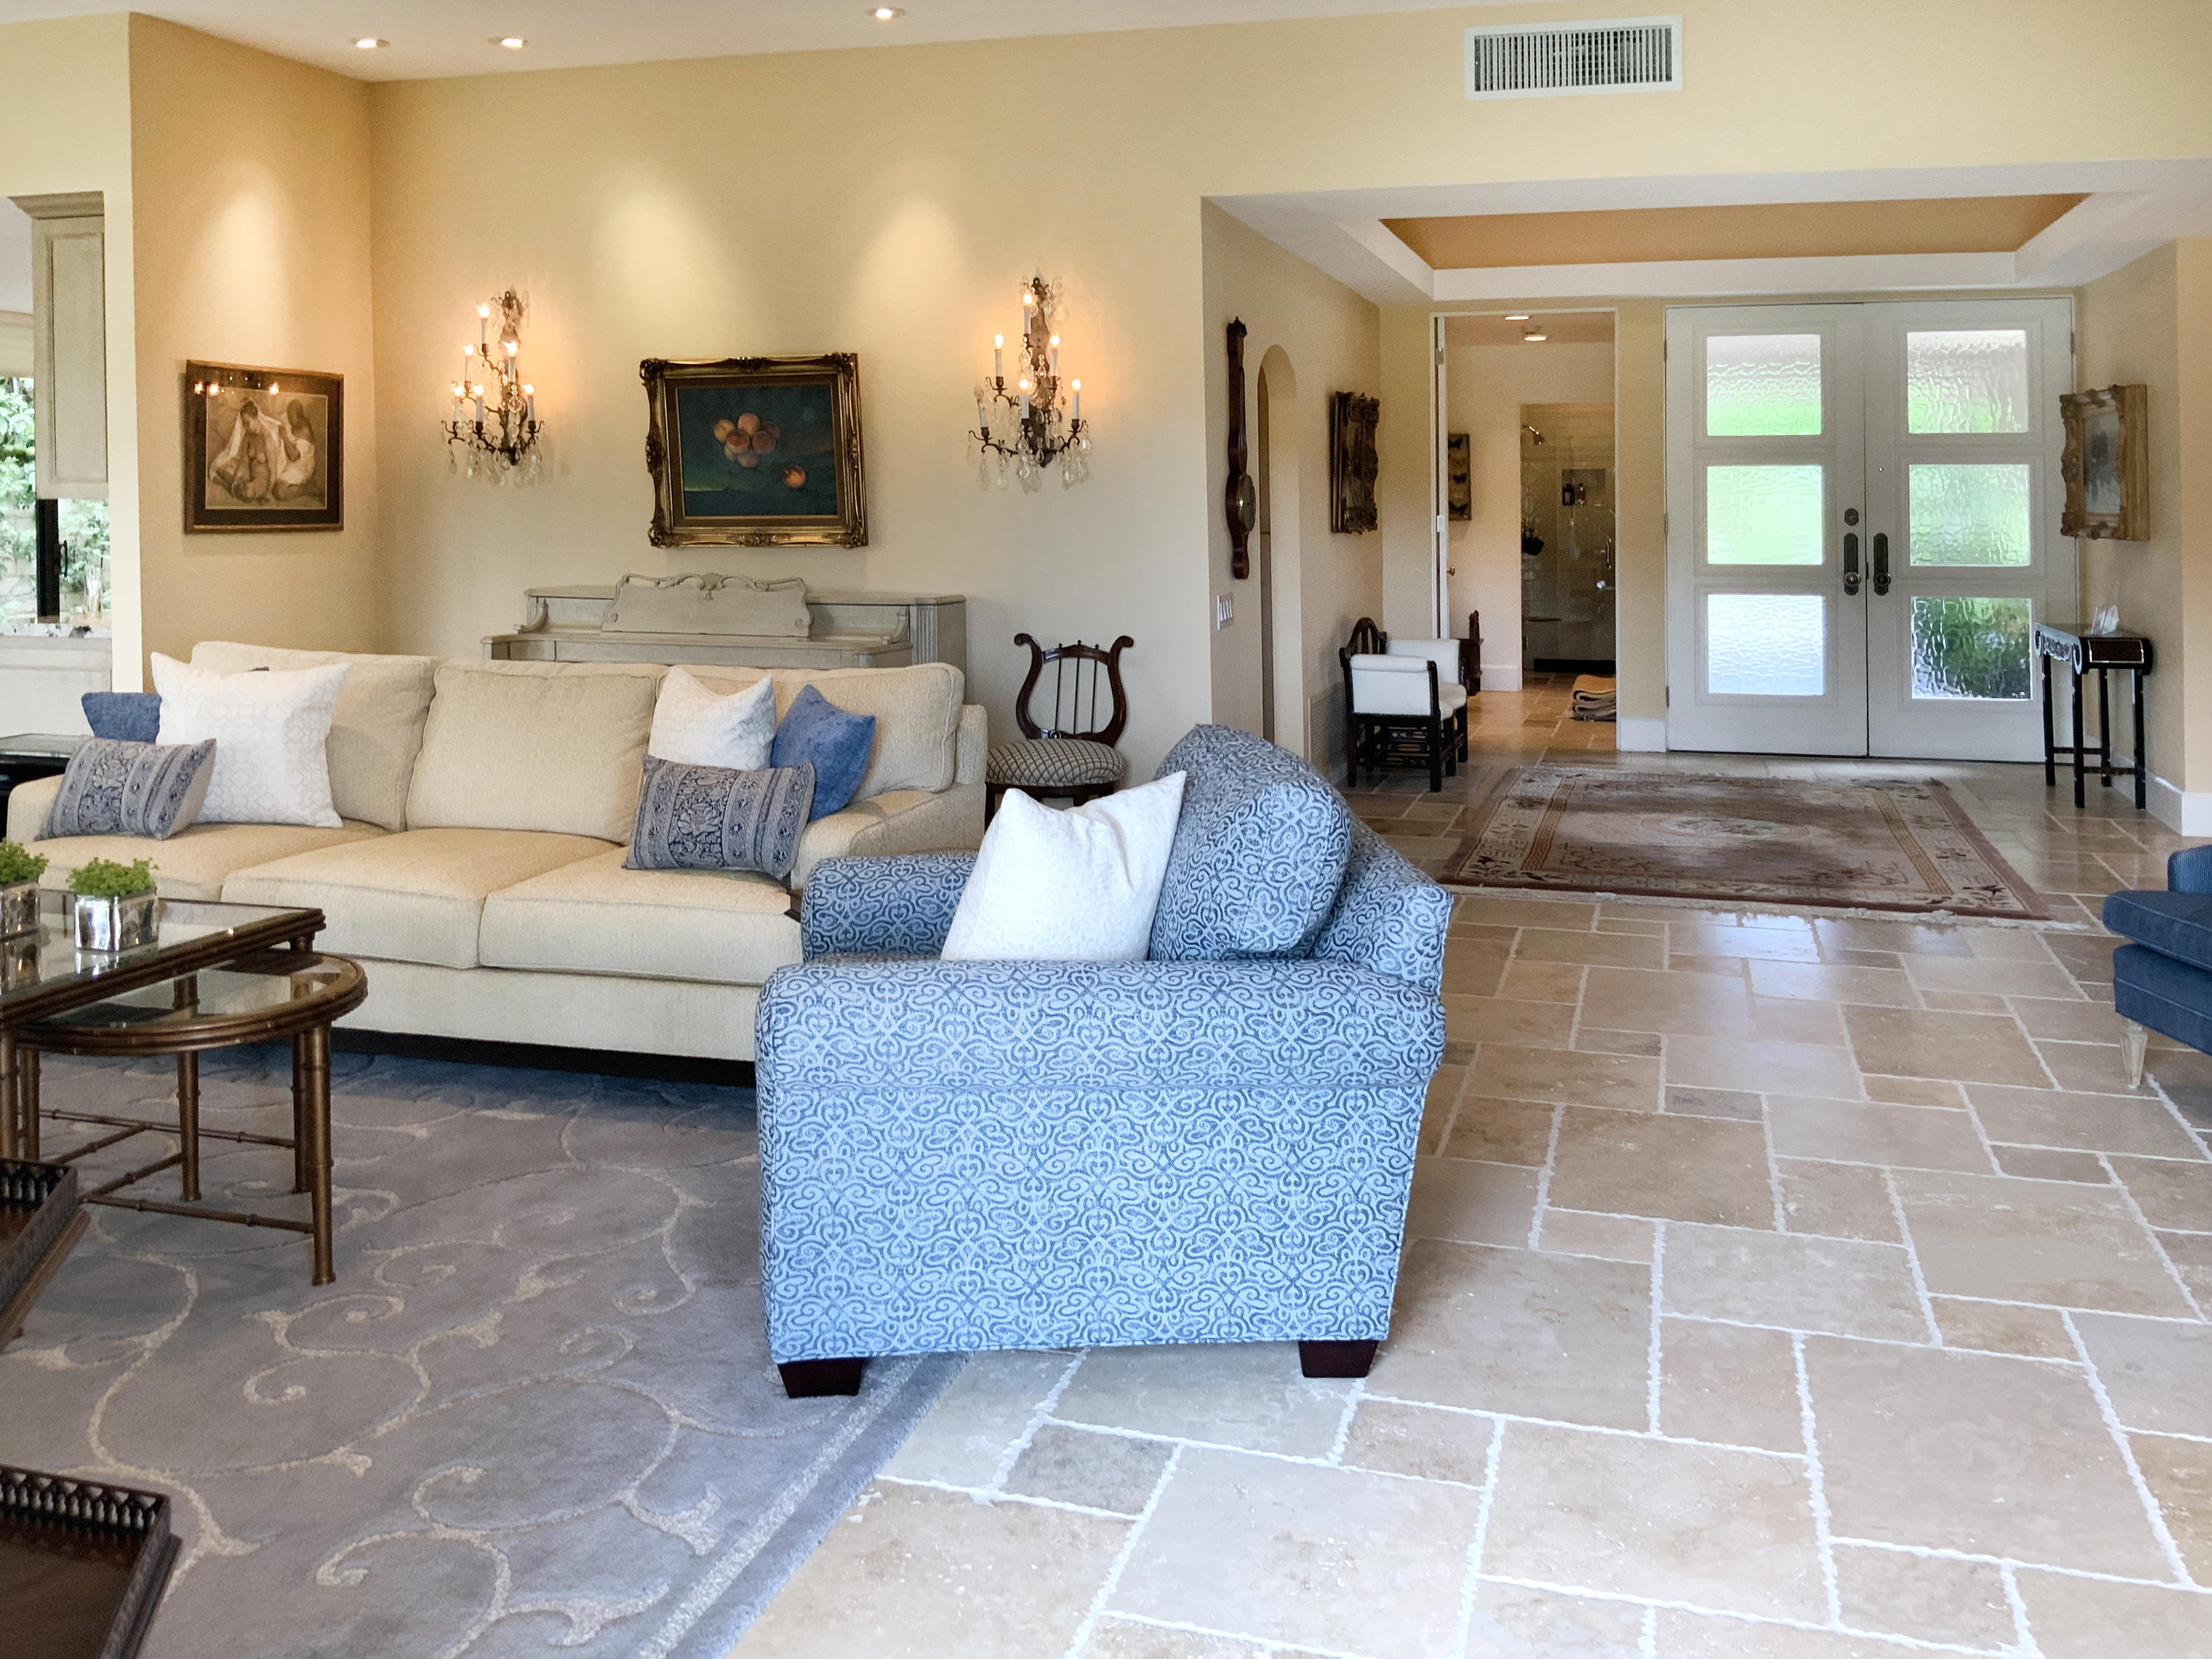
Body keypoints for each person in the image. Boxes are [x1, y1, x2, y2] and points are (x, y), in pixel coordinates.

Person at [209, 397, 276, 503]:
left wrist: (268, 493)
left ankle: (229, 486)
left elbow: (273, 472)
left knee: (247, 493)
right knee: (222, 469)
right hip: (249, 476)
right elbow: (243, 464)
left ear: (256, 418)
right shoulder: (248, 437)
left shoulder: (267, 439)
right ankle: (234, 487)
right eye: (244, 423)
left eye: (247, 422)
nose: (245, 427)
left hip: (261, 481)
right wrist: (237, 479)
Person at [272, 400, 318, 501]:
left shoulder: (304, 430)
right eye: (289, 415)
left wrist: (284, 438)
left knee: (280, 492)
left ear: (299, 415)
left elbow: (294, 456)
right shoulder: (292, 421)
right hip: (290, 463)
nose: (289, 419)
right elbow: (278, 418)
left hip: (302, 466)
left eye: (292, 416)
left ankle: (306, 489)